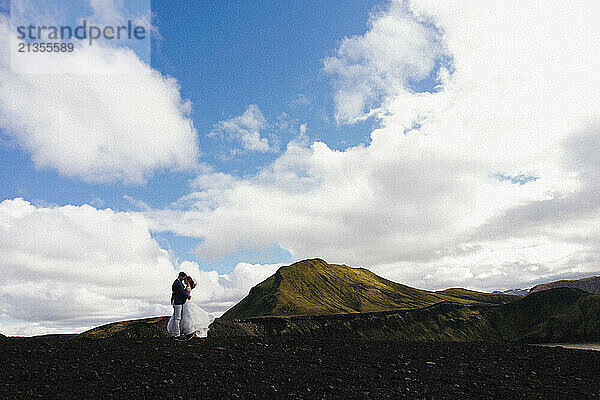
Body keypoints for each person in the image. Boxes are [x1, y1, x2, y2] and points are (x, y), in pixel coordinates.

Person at [167, 271, 191, 340]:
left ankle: (176, 333)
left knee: (176, 317)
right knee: (177, 318)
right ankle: (176, 334)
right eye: (183, 278)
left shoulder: (177, 282)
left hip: (177, 301)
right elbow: (181, 291)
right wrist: (187, 296)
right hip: (177, 302)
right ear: (181, 276)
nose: (183, 280)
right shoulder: (177, 282)